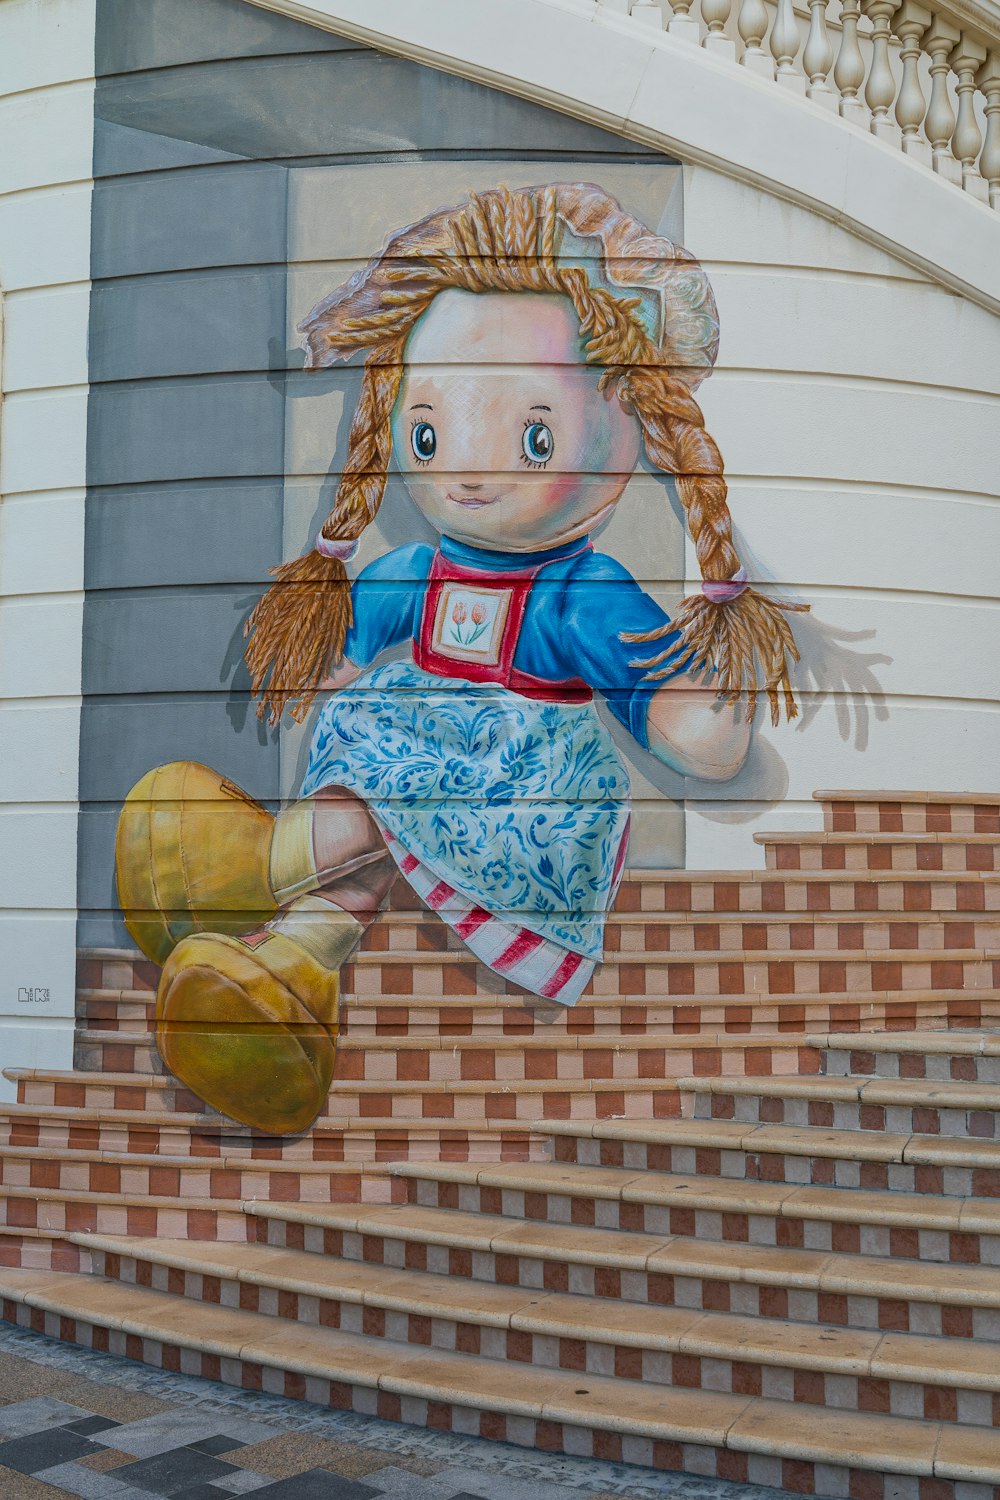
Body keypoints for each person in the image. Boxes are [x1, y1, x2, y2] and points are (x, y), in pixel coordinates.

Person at [116, 183, 804, 1134]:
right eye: (431, 433)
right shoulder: (414, 568)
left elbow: (677, 717)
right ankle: (289, 976)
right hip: (415, 751)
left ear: (625, 422)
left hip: (516, 782)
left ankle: (257, 869)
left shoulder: (584, 590)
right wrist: (329, 664)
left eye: (532, 437)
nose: (469, 473)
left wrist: (702, 711)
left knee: (386, 798)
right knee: (370, 769)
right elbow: (340, 653)